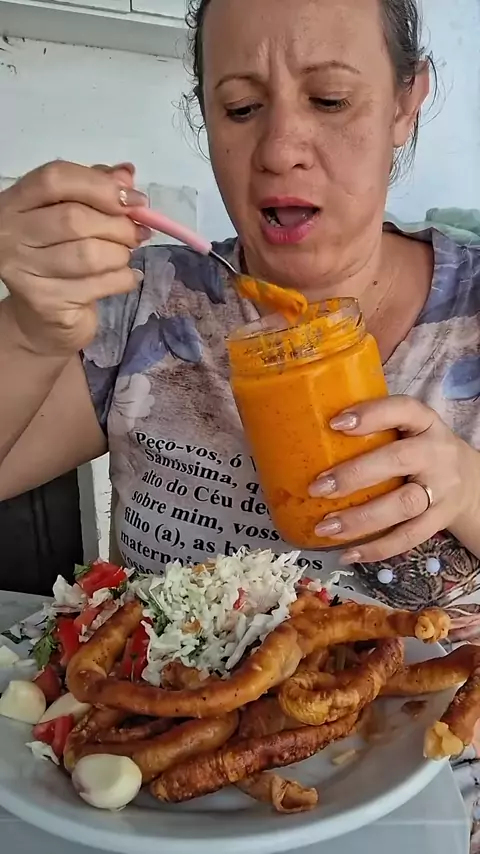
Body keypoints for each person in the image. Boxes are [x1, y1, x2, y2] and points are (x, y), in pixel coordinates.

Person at [0, 0, 480, 841]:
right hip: (158, 803)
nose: (280, 148)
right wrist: (29, 332)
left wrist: (469, 490)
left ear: (408, 102)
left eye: (330, 100)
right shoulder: (147, 304)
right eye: (242, 106)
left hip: (434, 809)